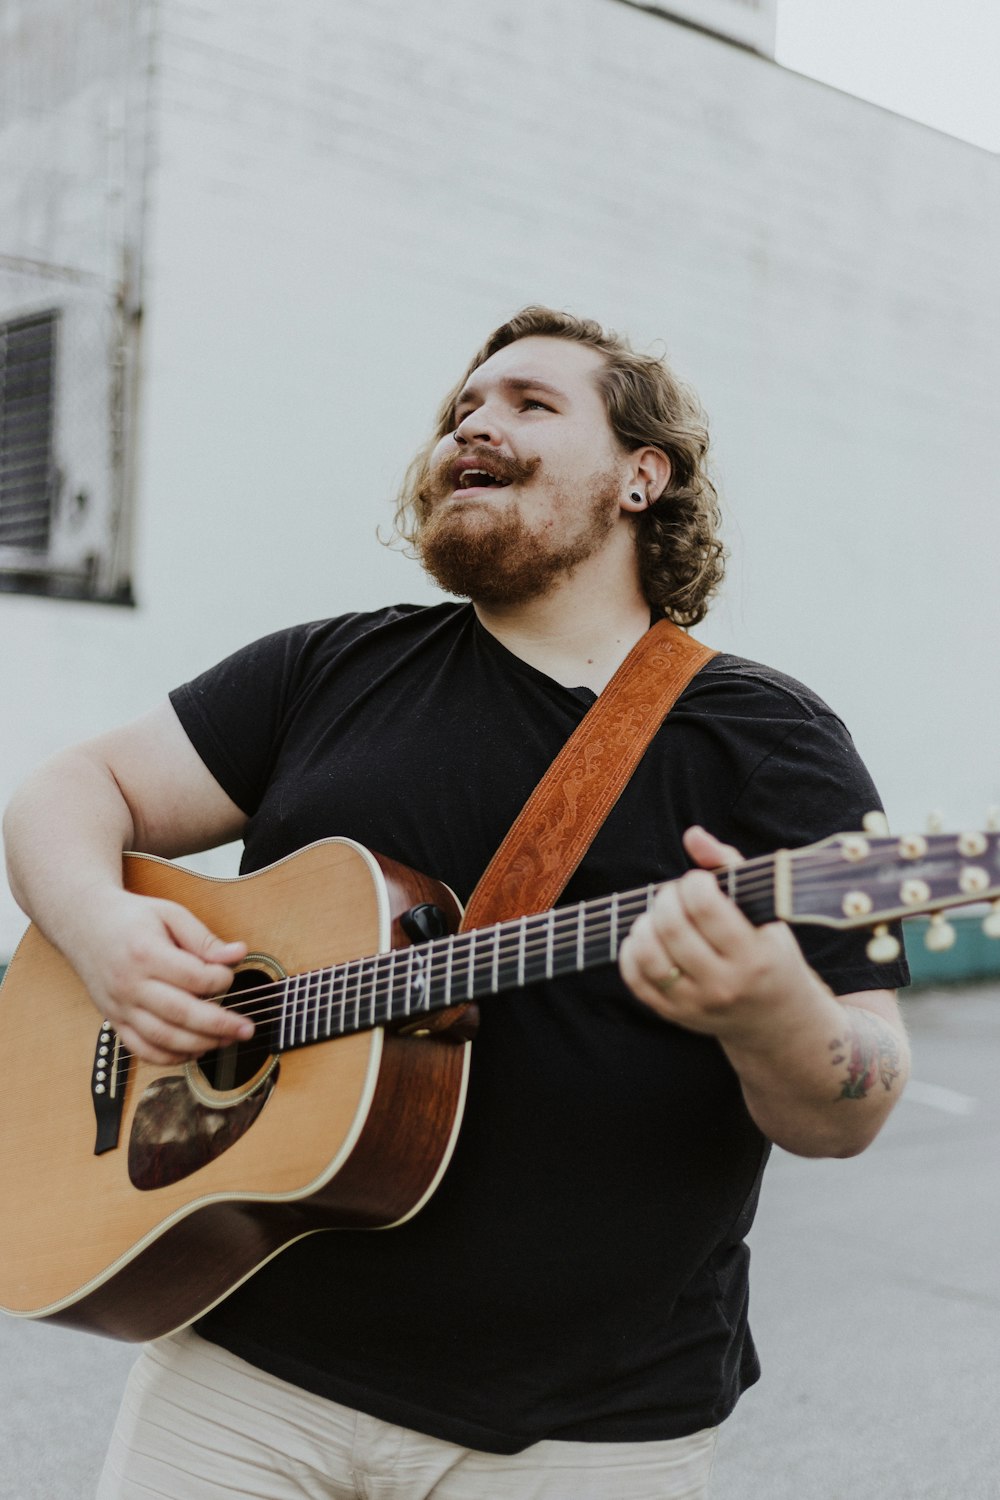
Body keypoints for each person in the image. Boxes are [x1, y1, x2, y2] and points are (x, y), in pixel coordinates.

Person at [3, 306, 910, 1499]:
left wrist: (767, 1011)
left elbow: (851, 1105)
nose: (473, 423)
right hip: (240, 1379)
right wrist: (105, 931)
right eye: (460, 410)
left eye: (531, 403)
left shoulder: (769, 743)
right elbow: (74, 792)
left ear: (643, 476)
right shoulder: (331, 668)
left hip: (586, 1436)